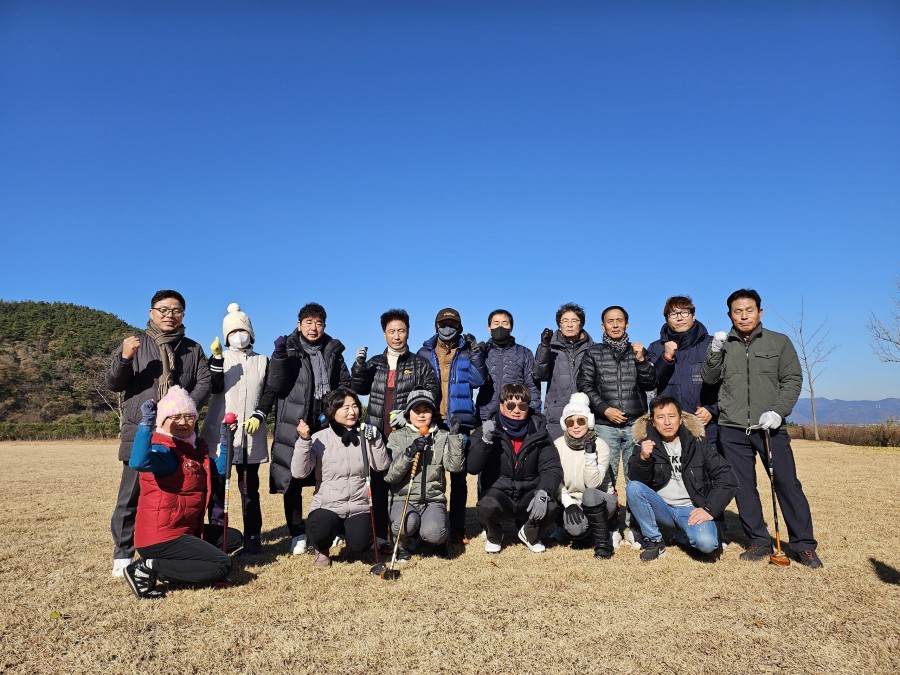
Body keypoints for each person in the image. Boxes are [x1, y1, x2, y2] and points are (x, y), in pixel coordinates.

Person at [702, 289, 823, 568]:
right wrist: (714, 351)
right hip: (732, 427)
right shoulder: (723, 344)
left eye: (749, 310)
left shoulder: (779, 342)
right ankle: (757, 539)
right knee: (743, 486)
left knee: (787, 483)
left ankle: (803, 544)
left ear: (760, 312)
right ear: (729, 315)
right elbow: (709, 378)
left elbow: (792, 379)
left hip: (769, 426)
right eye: (737, 311)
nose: (744, 316)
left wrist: (778, 411)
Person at [105, 289, 211, 578]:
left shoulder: (193, 349)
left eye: (176, 310)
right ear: (151, 313)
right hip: (140, 429)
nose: (169, 315)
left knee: (177, 494)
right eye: (163, 310)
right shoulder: (135, 344)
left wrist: (180, 408)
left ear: (183, 315)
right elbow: (114, 384)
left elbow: (204, 383)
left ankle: (172, 546)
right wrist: (125, 359)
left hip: (178, 433)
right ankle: (123, 554)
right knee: (131, 495)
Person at [250, 302, 351, 555]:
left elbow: (344, 384)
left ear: (324, 326)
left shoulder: (333, 351)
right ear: (299, 325)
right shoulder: (288, 348)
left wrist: (342, 413)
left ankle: (331, 527)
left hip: (326, 423)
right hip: (295, 422)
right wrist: (261, 411)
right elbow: (275, 385)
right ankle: (297, 533)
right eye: (308, 322)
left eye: (319, 323)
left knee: (329, 478)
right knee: (293, 479)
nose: (313, 328)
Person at [124, 386, 239, 599]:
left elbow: (220, 470)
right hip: (161, 537)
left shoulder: (192, 449)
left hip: (185, 530)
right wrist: (146, 426)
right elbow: (139, 462)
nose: (183, 422)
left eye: (189, 416)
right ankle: (148, 567)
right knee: (222, 565)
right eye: (175, 417)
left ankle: (175, 568)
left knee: (231, 538)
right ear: (162, 421)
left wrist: (226, 442)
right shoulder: (163, 449)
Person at [351, 308, 439, 546]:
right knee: (378, 486)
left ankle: (406, 536)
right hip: (377, 433)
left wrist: (409, 414)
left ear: (408, 332)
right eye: (392, 331)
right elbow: (358, 388)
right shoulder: (375, 363)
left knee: (403, 484)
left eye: (401, 330)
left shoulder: (419, 364)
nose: (397, 336)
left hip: (405, 434)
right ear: (384, 334)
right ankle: (380, 536)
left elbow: (433, 392)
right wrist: (359, 366)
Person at [576, 305, 656, 548]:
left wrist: (641, 361)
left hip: (636, 425)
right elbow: (585, 385)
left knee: (636, 479)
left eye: (619, 320)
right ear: (602, 326)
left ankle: (634, 528)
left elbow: (650, 383)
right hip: (605, 425)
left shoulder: (638, 351)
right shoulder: (593, 353)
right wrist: (604, 409)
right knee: (605, 479)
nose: (615, 325)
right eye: (610, 321)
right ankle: (610, 527)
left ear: (627, 324)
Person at [627, 395, 738, 562]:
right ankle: (654, 542)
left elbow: (727, 477)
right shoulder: (644, 444)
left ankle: (682, 534)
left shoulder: (698, 443)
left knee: (707, 545)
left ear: (680, 419)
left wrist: (709, 509)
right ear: (653, 422)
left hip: (691, 509)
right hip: (663, 507)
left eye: (672, 416)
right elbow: (637, 482)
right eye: (660, 417)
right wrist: (643, 458)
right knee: (633, 487)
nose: (667, 422)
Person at [291, 388, 390, 568]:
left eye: (355, 406)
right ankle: (321, 548)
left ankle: (350, 535)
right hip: (327, 505)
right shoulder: (319, 438)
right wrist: (304, 441)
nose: (352, 412)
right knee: (320, 528)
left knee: (360, 544)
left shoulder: (366, 435)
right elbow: (299, 473)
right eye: (345, 408)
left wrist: (376, 440)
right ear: (332, 411)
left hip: (358, 505)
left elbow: (381, 466)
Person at [201, 303, 269, 556]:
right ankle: (219, 538)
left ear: (251, 333)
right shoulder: (219, 359)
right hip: (220, 434)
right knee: (218, 488)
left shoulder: (263, 361)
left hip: (251, 434)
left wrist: (259, 414)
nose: (238, 336)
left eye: (242, 331)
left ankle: (253, 538)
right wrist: (217, 358)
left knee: (249, 489)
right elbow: (215, 386)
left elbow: (268, 394)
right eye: (232, 332)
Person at [416, 307, 487, 543]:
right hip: (433, 421)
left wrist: (476, 354)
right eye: (443, 324)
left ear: (460, 327)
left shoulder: (467, 351)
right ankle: (430, 525)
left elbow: (479, 379)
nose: (447, 328)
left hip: (460, 423)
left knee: (458, 478)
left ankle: (457, 528)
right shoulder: (424, 352)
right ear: (436, 326)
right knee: (431, 477)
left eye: (452, 324)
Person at [467, 383, 562, 554]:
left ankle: (529, 532)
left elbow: (552, 467)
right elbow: (472, 467)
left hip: (529, 492)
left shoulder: (540, 432)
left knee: (551, 506)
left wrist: (544, 491)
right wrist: (485, 442)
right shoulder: (486, 430)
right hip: (499, 492)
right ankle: (494, 535)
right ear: (501, 406)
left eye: (522, 406)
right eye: (510, 405)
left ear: (528, 407)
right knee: (486, 505)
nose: (516, 410)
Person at [385, 390, 465, 559]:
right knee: (405, 524)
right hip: (404, 498)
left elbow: (455, 467)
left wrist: (454, 436)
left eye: (426, 410)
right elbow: (391, 476)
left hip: (433, 500)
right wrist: (409, 453)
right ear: (408, 413)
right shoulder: (396, 437)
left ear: (433, 413)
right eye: (417, 410)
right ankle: (403, 543)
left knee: (435, 532)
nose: (421, 415)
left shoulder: (442, 436)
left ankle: (433, 540)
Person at [646, 296, 721, 450]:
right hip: (670, 428)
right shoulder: (655, 348)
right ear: (666, 319)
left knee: (709, 464)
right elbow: (652, 382)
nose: (679, 318)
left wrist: (712, 409)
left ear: (693, 315)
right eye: (673, 314)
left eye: (684, 312)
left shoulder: (711, 344)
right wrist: (666, 358)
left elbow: (728, 383)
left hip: (707, 424)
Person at [554, 393, 617, 559]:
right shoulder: (557, 445)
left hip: (600, 500)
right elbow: (555, 480)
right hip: (573, 502)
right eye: (570, 422)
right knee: (575, 531)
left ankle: (604, 543)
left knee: (589, 494)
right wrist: (568, 503)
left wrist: (590, 456)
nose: (576, 426)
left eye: (581, 421)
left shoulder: (601, 446)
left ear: (589, 422)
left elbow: (593, 484)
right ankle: (587, 533)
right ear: (564, 424)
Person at [534, 303, 596, 439]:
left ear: (581, 324)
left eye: (574, 321)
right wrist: (544, 347)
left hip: (586, 414)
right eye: (565, 321)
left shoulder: (593, 349)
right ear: (559, 325)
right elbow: (538, 375)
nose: (569, 325)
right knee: (555, 451)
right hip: (556, 416)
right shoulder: (549, 347)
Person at [476, 309, 542, 422]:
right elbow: (474, 381)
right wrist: (476, 355)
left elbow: (532, 386)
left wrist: (534, 413)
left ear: (511, 327)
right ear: (489, 327)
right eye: (496, 323)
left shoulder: (524, 353)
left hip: (515, 414)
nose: (500, 327)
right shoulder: (482, 353)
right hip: (486, 415)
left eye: (504, 323)